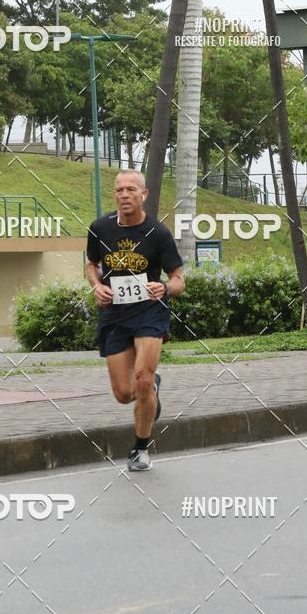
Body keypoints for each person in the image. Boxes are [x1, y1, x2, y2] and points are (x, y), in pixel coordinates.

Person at [85, 169, 185, 471]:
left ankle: (141, 449)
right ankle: (151, 386)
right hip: (114, 316)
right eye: (119, 190)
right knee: (124, 394)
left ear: (144, 195)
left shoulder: (159, 233)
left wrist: (165, 287)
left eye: (131, 189)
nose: (124, 195)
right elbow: (91, 264)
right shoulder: (100, 228)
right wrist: (96, 286)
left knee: (141, 378)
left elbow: (179, 279)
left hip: (149, 313)